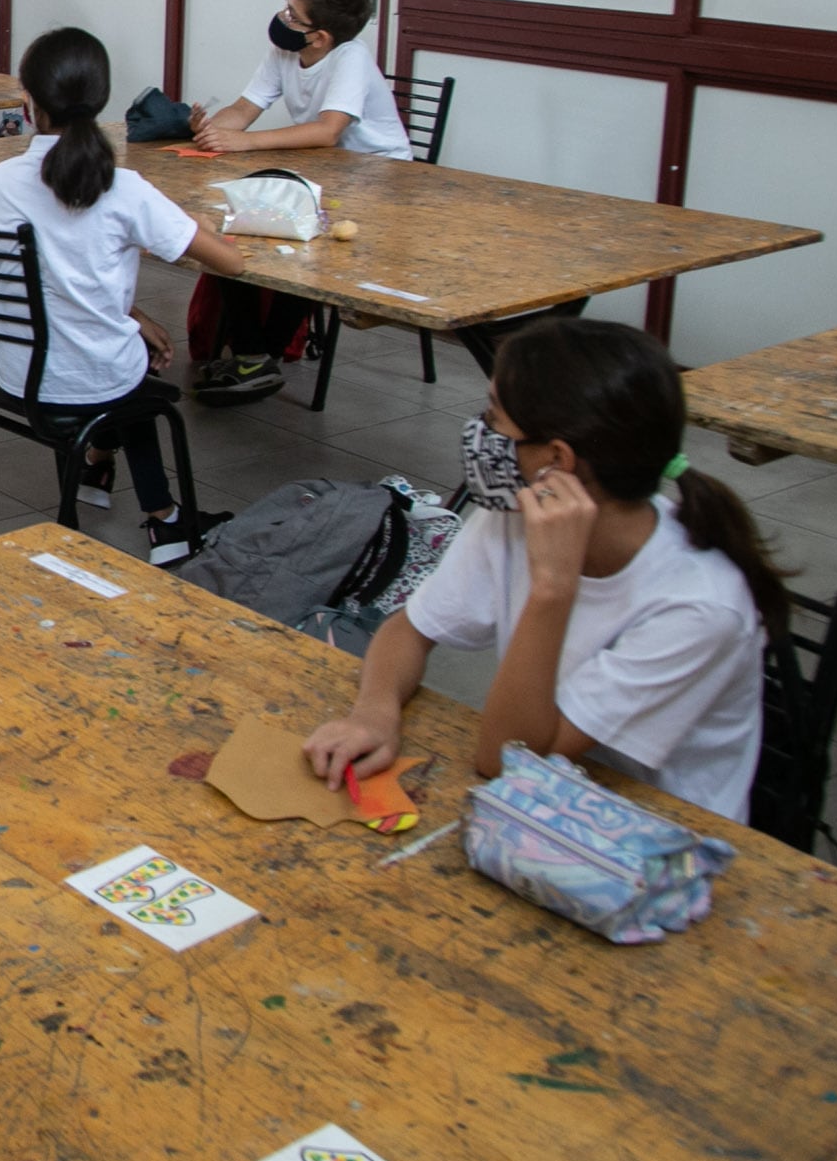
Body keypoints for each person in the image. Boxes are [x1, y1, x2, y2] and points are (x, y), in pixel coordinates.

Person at [303, 318, 783, 823]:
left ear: (557, 459)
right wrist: (375, 713)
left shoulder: (700, 605)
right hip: (554, 797)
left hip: (654, 835)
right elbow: (410, 629)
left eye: (494, 419)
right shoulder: (518, 510)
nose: (480, 435)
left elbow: (507, 760)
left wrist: (553, 587)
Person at [0, 27, 244, 565]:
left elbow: (43, 274)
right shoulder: (125, 188)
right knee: (131, 368)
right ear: (101, 103)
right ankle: (165, 520)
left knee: (124, 353)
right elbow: (230, 264)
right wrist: (200, 222)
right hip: (87, 377)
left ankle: (96, 464)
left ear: (27, 101)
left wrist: (131, 313)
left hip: (17, 370)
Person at [188, 0, 411, 404]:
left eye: (292, 12)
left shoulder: (351, 59)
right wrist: (212, 131)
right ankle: (257, 357)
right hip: (325, 173)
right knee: (234, 230)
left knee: (294, 243)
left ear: (321, 37)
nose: (282, 16)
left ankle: (259, 357)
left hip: (378, 179)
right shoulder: (285, 51)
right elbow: (245, 107)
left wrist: (243, 142)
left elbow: (328, 131)